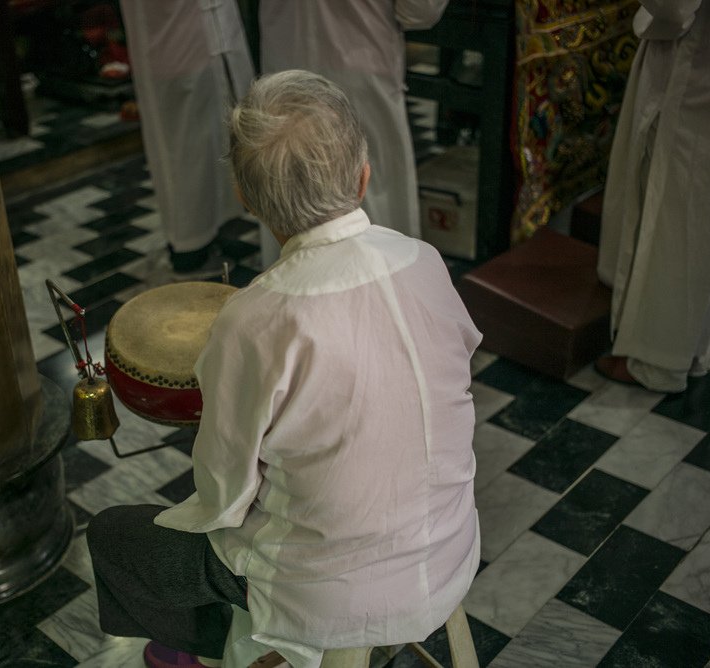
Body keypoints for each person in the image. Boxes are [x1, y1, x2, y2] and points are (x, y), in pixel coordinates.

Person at [87, 70, 481, 668]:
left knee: (119, 534)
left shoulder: (258, 317)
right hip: (451, 550)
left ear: (245, 199)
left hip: (329, 593)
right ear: (364, 175)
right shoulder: (423, 260)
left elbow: (223, 494)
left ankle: (217, 651)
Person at [595, 0, 710, 392]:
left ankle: (655, 359)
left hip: (700, 59)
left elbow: (672, 7)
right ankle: (688, 346)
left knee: (678, 205)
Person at [257, 0, 450, 242]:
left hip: (286, 60)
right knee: (368, 197)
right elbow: (419, 12)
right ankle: (375, 277)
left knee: (286, 182)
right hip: (360, 66)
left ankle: (293, 276)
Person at [119, 0, 255, 272]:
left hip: (215, 38)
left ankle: (215, 231)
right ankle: (189, 248)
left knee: (219, 138)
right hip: (175, 43)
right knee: (184, 150)